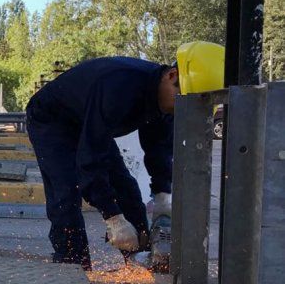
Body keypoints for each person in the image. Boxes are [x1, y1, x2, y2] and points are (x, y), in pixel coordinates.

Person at [26, 41, 225, 270]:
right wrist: (113, 218)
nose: (181, 111)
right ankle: (72, 267)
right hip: (51, 119)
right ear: (172, 76)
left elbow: (158, 149)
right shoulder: (119, 86)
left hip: (88, 121)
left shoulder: (168, 101)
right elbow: (90, 160)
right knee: (66, 192)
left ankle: (140, 258)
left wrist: (163, 195)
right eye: (182, 101)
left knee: (125, 187)